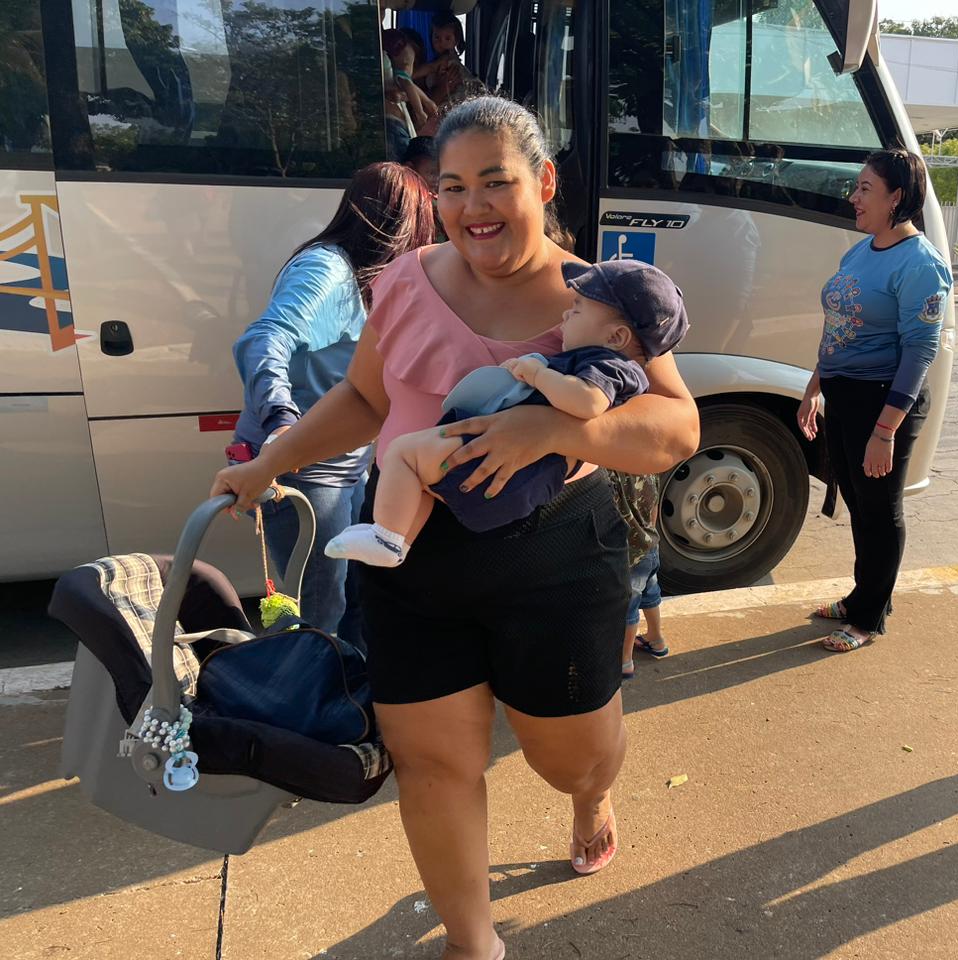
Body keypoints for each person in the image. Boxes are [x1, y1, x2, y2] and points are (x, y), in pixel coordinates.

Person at [210, 96, 700, 960]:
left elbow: (677, 429)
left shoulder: (600, 295)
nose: (474, 206)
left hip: (555, 558)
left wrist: (557, 427)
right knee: (433, 764)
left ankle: (590, 798)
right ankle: (474, 944)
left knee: (568, 758)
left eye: (497, 182)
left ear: (544, 183)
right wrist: (267, 464)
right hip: (409, 559)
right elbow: (365, 399)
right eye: (454, 186)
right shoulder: (402, 281)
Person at [324, 258, 688, 566]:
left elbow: (588, 402)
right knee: (418, 475)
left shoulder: (607, 364)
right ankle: (396, 539)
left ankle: (386, 538)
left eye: (577, 310)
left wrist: (538, 373)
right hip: (503, 459)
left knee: (402, 453)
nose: (565, 315)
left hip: (495, 457)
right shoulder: (603, 358)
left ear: (617, 337)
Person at [229, 162, 435, 641]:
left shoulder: (368, 279)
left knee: (367, 599)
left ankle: (361, 706)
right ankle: (314, 710)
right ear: (399, 225)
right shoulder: (328, 268)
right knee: (320, 618)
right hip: (304, 472)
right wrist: (282, 420)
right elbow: (263, 339)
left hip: (349, 469)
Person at [797, 149, 950, 653]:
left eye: (865, 188)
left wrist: (885, 431)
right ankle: (864, 595)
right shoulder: (860, 251)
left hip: (884, 401)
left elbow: (920, 351)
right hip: (844, 394)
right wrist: (814, 387)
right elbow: (840, 327)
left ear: (897, 198)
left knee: (880, 510)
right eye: (856, 187)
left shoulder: (922, 264)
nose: (853, 197)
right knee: (859, 505)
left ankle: (868, 618)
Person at [612, 471, 667, 681]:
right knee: (650, 594)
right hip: (650, 545)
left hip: (630, 555)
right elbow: (654, 508)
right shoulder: (648, 468)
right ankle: (656, 637)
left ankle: (625, 660)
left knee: (628, 607)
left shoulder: (612, 474)